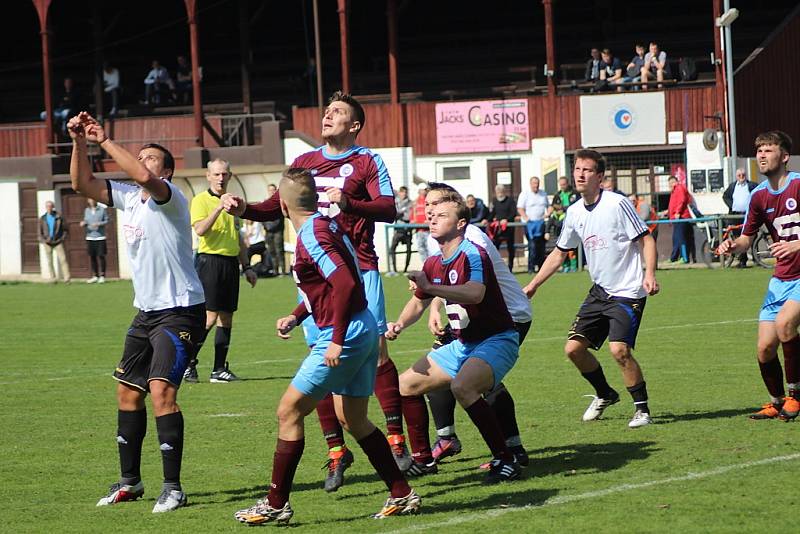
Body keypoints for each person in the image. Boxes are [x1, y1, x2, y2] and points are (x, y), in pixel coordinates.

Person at [220, 91, 413, 491]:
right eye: (327, 110)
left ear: (354, 125)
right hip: (315, 279)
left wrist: (351, 203)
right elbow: (277, 205)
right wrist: (244, 209)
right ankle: (336, 452)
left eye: (338, 112)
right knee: (320, 357)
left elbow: (389, 209)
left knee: (375, 353)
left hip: (358, 269)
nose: (328, 115)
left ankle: (396, 442)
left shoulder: (367, 160)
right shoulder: (304, 162)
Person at [233, 169, 420, 525]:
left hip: (345, 333)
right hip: (362, 327)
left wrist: (334, 340)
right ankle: (402, 494)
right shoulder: (329, 225)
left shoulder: (312, 235)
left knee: (288, 412)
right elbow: (329, 285)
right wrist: (297, 314)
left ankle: (276, 503)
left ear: (283, 206)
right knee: (355, 418)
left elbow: (346, 284)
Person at [67, 111, 205, 513]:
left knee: (162, 392)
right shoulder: (128, 197)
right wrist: (79, 142)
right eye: (139, 155)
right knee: (128, 393)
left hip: (181, 310)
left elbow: (145, 179)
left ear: (166, 172)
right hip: (146, 312)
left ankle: (174, 488)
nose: (142, 161)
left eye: (150, 157)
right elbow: (81, 183)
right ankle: (131, 481)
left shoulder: (170, 197)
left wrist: (104, 140)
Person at [387, 192, 523, 484]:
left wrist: (432, 288)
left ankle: (506, 458)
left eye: (442, 215)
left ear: (461, 224)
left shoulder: (473, 253)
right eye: (432, 215)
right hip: (463, 344)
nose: (433, 218)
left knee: (463, 387)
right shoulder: (434, 261)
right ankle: (423, 459)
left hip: (498, 339)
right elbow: (418, 302)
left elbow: (476, 292)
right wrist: (398, 324)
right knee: (405, 385)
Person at [523, 149, 659, 428]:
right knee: (573, 349)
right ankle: (605, 394)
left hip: (628, 291)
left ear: (600, 176)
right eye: (577, 169)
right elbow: (560, 253)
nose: (580, 174)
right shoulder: (573, 212)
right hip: (599, 291)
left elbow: (646, 239)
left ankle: (642, 410)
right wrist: (534, 284)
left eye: (587, 170)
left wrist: (650, 274)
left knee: (618, 350)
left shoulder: (617, 204)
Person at [422, 183, 532, 470]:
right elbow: (440, 279)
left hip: (508, 316)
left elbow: (472, 285)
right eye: (427, 205)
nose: (429, 210)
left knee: (481, 379)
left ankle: (511, 450)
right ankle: (447, 438)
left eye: (435, 204)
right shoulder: (440, 237)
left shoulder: (472, 240)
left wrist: (439, 300)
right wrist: (435, 306)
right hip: (472, 318)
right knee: (441, 369)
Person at [717, 131, 800, 421]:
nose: (761, 155)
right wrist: (732, 245)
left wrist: (797, 244)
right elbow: (746, 239)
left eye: (768, 150)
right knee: (764, 348)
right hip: (781, 279)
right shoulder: (758, 195)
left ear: (785, 156)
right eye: (759, 151)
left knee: (785, 324)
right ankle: (775, 402)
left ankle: (795, 396)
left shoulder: (799, 185)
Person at [184, 159, 258, 384]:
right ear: (208, 176)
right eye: (216, 174)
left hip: (230, 264)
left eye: (224, 174)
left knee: (226, 317)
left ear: (230, 175)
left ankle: (219, 369)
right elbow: (200, 230)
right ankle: (188, 364)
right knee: (208, 317)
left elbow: (239, 239)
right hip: (209, 262)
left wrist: (247, 267)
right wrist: (218, 207)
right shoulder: (200, 200)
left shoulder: (235, 204)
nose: (220, 178)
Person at [722, 168, 758, 268]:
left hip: (748, 215)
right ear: (736, 176)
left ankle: (757, 259)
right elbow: (725, 196)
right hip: (735, 216)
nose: (741, 177)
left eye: (743, 175)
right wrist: (732, 205)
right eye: (739, 175)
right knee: (738, 238)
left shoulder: (752, 185)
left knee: (752, 236)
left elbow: (759, 195)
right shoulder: (732, 186)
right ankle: (743, 261)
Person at [517, 177, 549, 273]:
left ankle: (541, 268)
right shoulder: (524, 194)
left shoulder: (543, 194)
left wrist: (547, 214)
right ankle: (531, 268)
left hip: (541, 223)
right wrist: (526, 218)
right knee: (532, 246)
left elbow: (549, 206)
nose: (536, 185)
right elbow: (520, 208)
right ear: (530, 184)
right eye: (534, 183)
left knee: (541, 247)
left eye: (537, 183)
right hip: (530, 224)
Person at [549, 176, 580, 272]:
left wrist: (562, 208)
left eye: (564, 184)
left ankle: (574, 266)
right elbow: (553, 205)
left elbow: (578, 205)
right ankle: (565, 266)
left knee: (572, 246)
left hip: (573, 222)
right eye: (561, 185)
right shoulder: (558, 194)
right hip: (561, 224)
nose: (562, 186)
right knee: (562, 246)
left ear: (568, 183)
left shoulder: (575, 193)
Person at [38, 200, 71, 283]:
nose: (49, 208)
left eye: (50, 206)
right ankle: (53, 278)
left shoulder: (59, 217)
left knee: (63, 260)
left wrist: (62, 238)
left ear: (53, 207)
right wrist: (43, 240)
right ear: (46, 208)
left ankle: (67, 279)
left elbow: (65, 230)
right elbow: (39, 231)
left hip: (58, 242)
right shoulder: (43, 218)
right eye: (47, 206)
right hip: (47, 242)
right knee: (50, 261)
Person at [489, 184, 518, 272]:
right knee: (495, 247)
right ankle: (496, 267)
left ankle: (510, 267)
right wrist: (486, 220)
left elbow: (513, 213)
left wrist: (507, 219)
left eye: (501, 191)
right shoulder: (494, 201)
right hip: (498, 229)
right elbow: (492, 214)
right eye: (498, 192)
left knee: (510, 248)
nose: (500, 193)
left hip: (508, 228)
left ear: (504, 191)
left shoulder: (510, 201)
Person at [81, 197, 108, 283]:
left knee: (101, 256)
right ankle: (95, 275)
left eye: (93, 199)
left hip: (100, 236)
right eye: (90, 199)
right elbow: (86, 220)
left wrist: (99, 224)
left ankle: (102, 276)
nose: (91, 201)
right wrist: (83, 223)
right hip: (90, 236)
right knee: (92, 257)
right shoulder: (87, 210)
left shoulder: (102, 210)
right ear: (88, 201)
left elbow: (107, 220)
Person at [263, 184, 287, 276]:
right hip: (268, 231)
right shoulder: (265, 202)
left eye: (273, 190)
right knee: (271, 251)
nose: (272, 192)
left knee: (279, 250)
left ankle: (283, 271)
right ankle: (275, 270)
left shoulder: (280, 202)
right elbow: (261, 216)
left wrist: (272, 226)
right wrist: (266, 226)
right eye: (270, 190)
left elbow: (280, 217)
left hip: (278, 230)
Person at [389, 186, 413, 275]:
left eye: (405, 192)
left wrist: (399, 214)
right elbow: (393, 214)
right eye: (402, 192)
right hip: (397, 230)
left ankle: (406, 269)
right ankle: (394, 270)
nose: (404, 194)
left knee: (409, 249)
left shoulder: (410, 203)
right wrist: (399, 214)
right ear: (399, 193)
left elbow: (408, 216)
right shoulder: (395, 202)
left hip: (407, 230)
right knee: (392, 248)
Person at [667, 176, 692, 263]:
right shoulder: (673, 191)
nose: (670, 185)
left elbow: (682, 200)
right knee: (676, 238)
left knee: (681, 238)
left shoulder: (679, 188)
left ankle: (684, 258)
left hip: (682, 217)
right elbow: (673, 204)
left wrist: (678, 212)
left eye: (671, 183)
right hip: (675, 218)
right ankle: (673, 258)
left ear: (675, 182)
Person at [411, 185, 430, 263]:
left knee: (429, 248)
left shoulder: (429, 201)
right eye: (422, 190)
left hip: (428, 230)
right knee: (421, 248)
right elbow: (412, 214)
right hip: (419, 230)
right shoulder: (415, 202)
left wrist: (429, 220)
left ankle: (431, 266)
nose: (424, 191)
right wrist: (412, 220)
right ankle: (425, 266)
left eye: (425, 190)